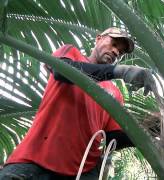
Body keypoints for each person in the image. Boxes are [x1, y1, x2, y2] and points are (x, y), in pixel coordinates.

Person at [0, 27, 154, 179]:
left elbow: (112, 138)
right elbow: (63, 71)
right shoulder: (71, 53)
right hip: (33, 162)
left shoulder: (115, 94)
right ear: (99, 38)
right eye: (114, 44)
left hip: (82, 171)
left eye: (120, 53)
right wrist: (120, 71)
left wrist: (151, 130)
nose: (116, 52)